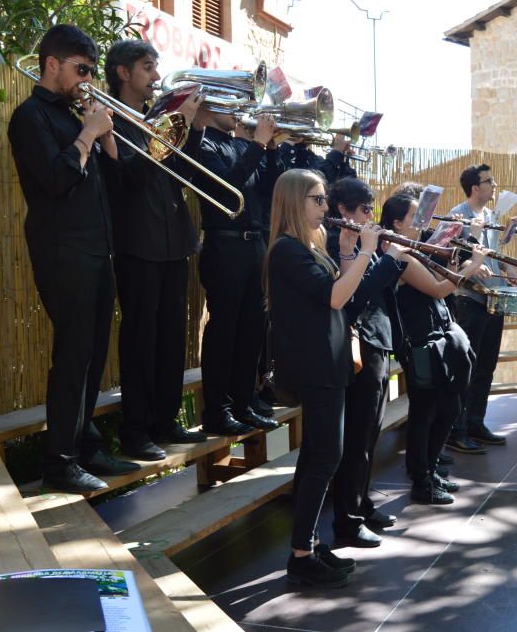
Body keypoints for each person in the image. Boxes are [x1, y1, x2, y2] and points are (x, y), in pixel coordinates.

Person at [7, 24, 138, 492]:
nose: (88, 80)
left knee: (93, 353)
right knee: (73, 352)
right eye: (81, 70)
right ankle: (58, 462)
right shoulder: (31, 117)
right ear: (52, 64)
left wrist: (105, 139)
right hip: (62, 249)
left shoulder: (74, 114)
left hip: (96, 249)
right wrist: (87, 132)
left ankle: (85, 445)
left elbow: (117, 186)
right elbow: (56, 180)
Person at [266, 169, 378, 588]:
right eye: (317, 199)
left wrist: (349, 252)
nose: (325, 207)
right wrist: (367, 251)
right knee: (325, 457)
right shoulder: (287, 250)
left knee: (318, 455)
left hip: (327, 362)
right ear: (296, 202)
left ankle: (307, 544)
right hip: (314, 366)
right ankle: (301, 553)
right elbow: (333, 297)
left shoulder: (309, 248)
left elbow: (339, 294)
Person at [103, 39, 206, 461]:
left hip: (173, 241)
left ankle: (165, 420)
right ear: (123, 72)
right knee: (140, 338)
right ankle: (136, 430)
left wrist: (191, 129)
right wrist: (160, 137)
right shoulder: (109, 118)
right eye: (147, 68)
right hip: (137, 243)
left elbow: (182, 175)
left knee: (170, 338)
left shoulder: (155, 119)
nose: (155, 77)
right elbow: (126, 178)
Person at [380, 194, 485, 504]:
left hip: (436, 333)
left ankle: (431, 467)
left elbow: (438, 280)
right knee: (425, 411)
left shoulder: (414, 250)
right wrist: (472, 265)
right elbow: (440, 288)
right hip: (419, 341)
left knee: (448, 408)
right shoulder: (398, 254)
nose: (422, 223)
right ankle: (421, 478)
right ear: (397, 223)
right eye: (415, 217)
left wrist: (453, 262)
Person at [191, 105, 283, 436]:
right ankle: (217, 410)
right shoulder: (204, 144)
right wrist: (258, 145)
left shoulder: (242, 145)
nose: (236, 111)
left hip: (254, 244)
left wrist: (270, 151)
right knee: (224, 330)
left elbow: (271, 189)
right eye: (227, 105)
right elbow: (225, 188)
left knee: (252, 329)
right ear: (208, 109)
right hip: (224, 245)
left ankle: (245, 403)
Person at [325, 178, 406, 548]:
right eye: (364, 210)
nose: (371, 216)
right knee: (357, 437)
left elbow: (381, 285)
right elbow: (355, 298)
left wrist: (393, 256)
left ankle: (362, 503)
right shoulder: (336, 242)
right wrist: (385, 257)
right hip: (359, 345)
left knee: (370, 434)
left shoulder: (361, 240)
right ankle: (347, 518)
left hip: (378, 339)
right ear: (343, 211)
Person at [445, 163, 510, 454]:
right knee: (465, 368)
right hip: (469, 300)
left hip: (494, 300)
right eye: (489, 181)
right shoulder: (457, 216)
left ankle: (476, 423)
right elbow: (447, 257)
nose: (494, 185)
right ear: (475, 188)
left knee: (486, 367)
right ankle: (456, 430)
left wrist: (507, 271)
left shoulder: (490, 215)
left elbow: (494, 256)